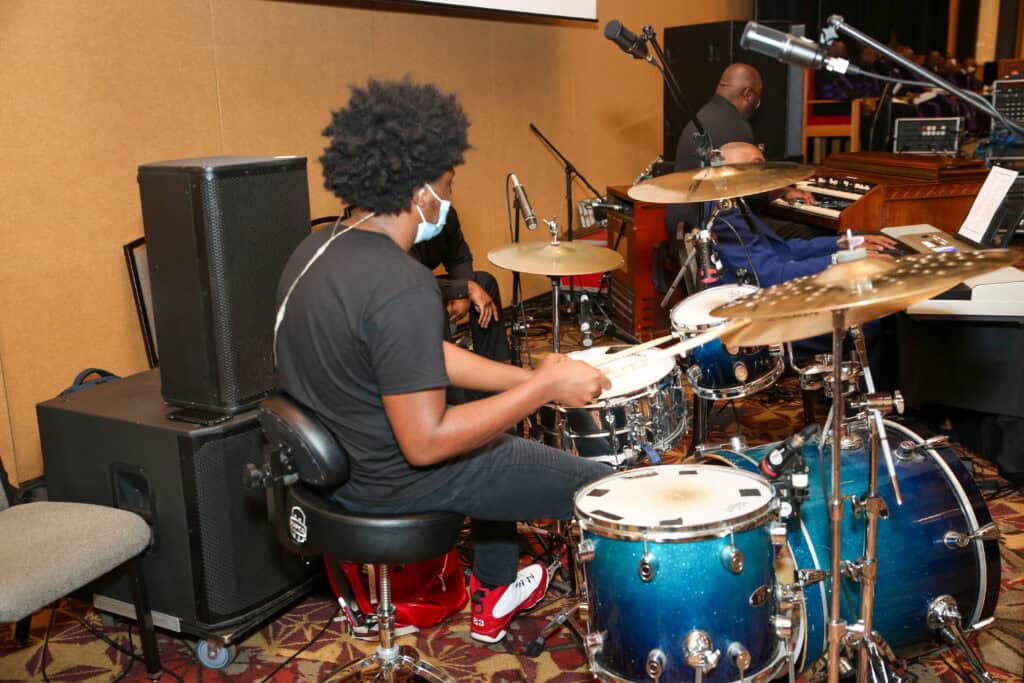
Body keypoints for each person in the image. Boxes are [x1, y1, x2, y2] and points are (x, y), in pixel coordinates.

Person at [272, 77, 613, 645]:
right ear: (419, 191)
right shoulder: (401, 282)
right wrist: (541, 390)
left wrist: (528, 377)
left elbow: (416, 356)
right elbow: (426, 443)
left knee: (495, 423)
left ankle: (495, 588)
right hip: (389, 482)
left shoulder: (316, 248)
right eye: (448, 185)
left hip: (334, 469)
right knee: (602, 487)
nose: (449, 201)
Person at [665, 63, 818, 242]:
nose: (756, 106)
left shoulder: (700, 118)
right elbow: (753, 194)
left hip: (681, 227)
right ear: (748, 94)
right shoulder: (737, 126)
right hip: (712, 231)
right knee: (804, 233)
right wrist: (783, 191)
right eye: (757, 100)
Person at [410, 206, 510, 364]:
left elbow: (459, 259)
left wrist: (463, 295)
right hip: (401, 292)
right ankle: (445, 372)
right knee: (431, 300)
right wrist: (465, 289)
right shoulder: (399, 220)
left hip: (424, 284)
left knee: (485, 282)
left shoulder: (446, 214)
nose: (448, 196)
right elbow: (410, 279)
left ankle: (493, 366)